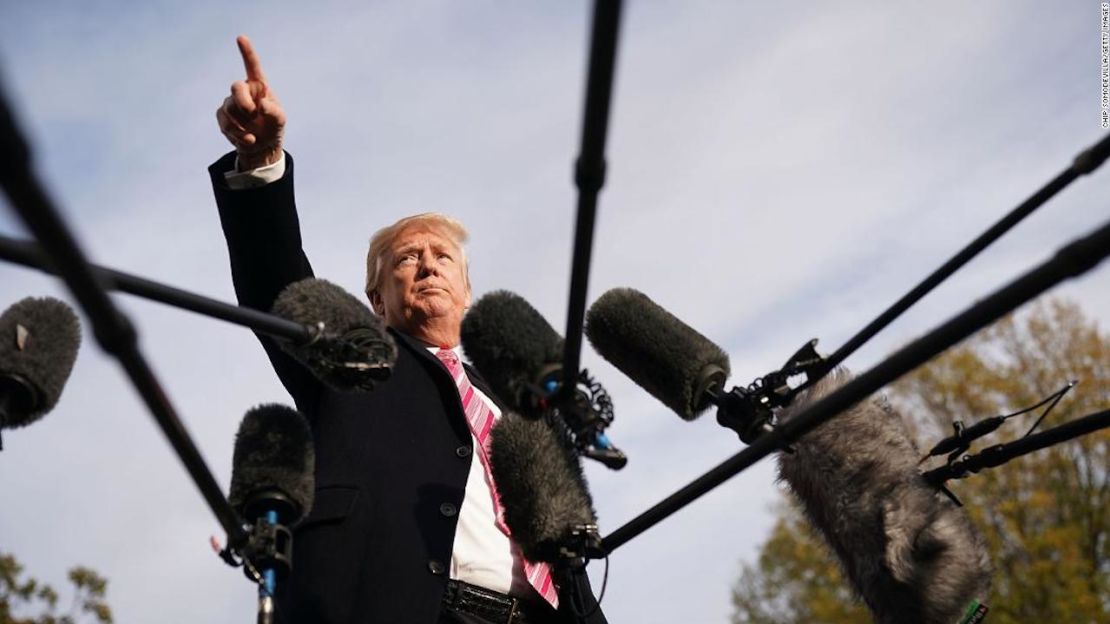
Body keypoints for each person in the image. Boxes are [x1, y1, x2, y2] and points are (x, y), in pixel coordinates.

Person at [209, 35, 607, 624]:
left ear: (467, 291)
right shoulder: (353, 361)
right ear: (377, 299)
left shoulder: (521, 408)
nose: (426, 264)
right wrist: (261, 162)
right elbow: (278, 285)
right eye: (406, 258)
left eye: (442, 256)